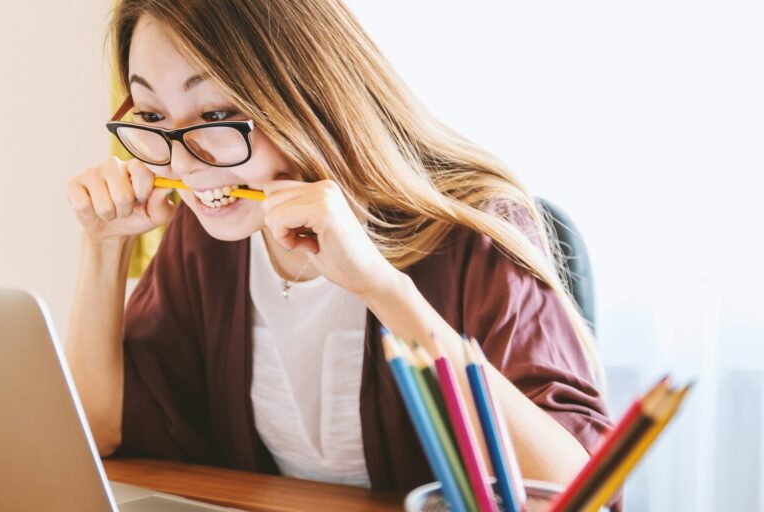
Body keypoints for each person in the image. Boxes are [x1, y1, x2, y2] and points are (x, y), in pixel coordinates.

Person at [65, 0, 613, 497]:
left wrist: (380, 286)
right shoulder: (210, 236)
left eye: (216, 116)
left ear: (307, 94)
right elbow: (100, 431)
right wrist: (103, 247)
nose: (182, 164)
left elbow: (578, 492)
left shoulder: (475, 229)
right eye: (153, 116)